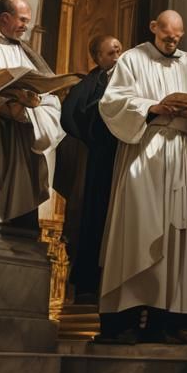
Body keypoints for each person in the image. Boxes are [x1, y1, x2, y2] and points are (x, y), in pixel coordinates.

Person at [97, 11, 187, 343]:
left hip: (182, 152)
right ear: (153, 27)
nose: (173, 41)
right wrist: (153, 107)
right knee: (137, 230)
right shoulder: (133, 59)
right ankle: (124, 319)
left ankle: (165, 320)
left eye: (178, 37)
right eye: (167, 35)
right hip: (146, 150)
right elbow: (112, 103)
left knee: (176, 236)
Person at [0, 0, 65, 233]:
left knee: (22, 200)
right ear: (5, 18)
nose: (26, 26)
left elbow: (47, 94)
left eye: (28, 21)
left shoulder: (28, 54)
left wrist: (31, 104)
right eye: (22, 20)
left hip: (23, 137)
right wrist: (6, 105)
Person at [59, 34, 121, 305]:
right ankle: (89, 283)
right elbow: (72, 116)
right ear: (97, 58)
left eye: (119, 50)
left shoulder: (136, 77)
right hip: (100, 158)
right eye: (110, 53)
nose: (118, 57)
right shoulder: (89, 84)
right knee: (96, 216)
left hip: (128, 158)